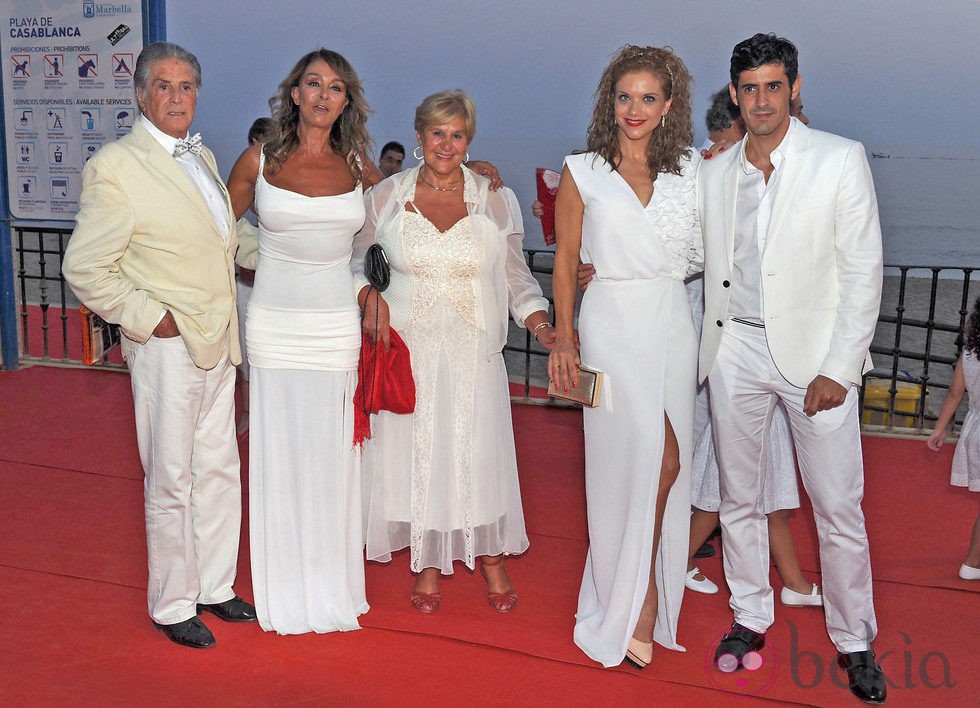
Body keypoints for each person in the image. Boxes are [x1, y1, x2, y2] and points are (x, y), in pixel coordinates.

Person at [698, 34, 886, 703]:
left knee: (837, 506)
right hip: (736, 352)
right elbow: (690, 251)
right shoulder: (716, 171)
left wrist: (841, 366)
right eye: (749, 88)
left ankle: (855, 639)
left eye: (773, 86)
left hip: (818, 363)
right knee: (740, 498)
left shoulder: (839, 159)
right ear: (735, 95)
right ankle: (750, 616)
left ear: (795, 88)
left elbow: (863, 271)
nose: (761, 100)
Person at [62, 41, 255, 649]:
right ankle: (173, 603)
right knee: (171, 479)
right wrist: (152, 317)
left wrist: (294, 255)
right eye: (164, 86)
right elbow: (86, 267)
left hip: (220, 342)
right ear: (141, 94)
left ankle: (215, 586)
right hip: (169, 347)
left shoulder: (202, 155)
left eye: (187, 86)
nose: (177, 97)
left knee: (220, 471)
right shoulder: (117, 165)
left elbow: (224, 244)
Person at [355, 90, 555, 615]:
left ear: (469, 140)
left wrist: (540, 322)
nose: (446, 143)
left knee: (476, 450)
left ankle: (491, 557)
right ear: (420, 137)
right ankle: (426, 561)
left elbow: (516, 277)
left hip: (474, 353)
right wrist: (368, 298)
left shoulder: (494, 198)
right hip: (409, 351)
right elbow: (356, 263)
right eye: (437, 133)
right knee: (419, 452)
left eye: (457, 134)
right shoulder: (387, 197)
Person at [549, 45, 700, 670]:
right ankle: (639, 598)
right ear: (608, 101)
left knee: (669, 461)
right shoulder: (581, 170)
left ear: (668, 107)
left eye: (648, 98)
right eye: (624, 96)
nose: (634, 109)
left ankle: (639, 584)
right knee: (642, 462)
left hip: (672, 324)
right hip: (608, 325)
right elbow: (563, 258)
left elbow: (712, 247)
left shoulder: (692, 171)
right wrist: (564, 339)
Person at [226, 48, 384, 635]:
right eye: (313, 84)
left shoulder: (360, 167)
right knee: (277, 451)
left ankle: (329, 583)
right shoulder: (259, 159)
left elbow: (391, 235)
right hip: (273, 322)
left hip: (334, 327)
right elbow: (210, 230)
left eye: (336, 87)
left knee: (332, 457)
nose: (323, 95)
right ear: (294, 93)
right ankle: (285, 586)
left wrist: (480, 174)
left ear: (347, 101)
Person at [926, 297, 980, 581]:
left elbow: (954, 393)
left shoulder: (969, 355)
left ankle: (972, 563)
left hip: (975, 432)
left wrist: (939, 428)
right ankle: (972, 564)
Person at [233, 116, 277, 435]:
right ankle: (248, 411)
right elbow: (227, 225)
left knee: (274, 354)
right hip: (250, 280)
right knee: (248, 353)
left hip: (279, 282)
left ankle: (271, 415)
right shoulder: (242, 180)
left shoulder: (286, 181)